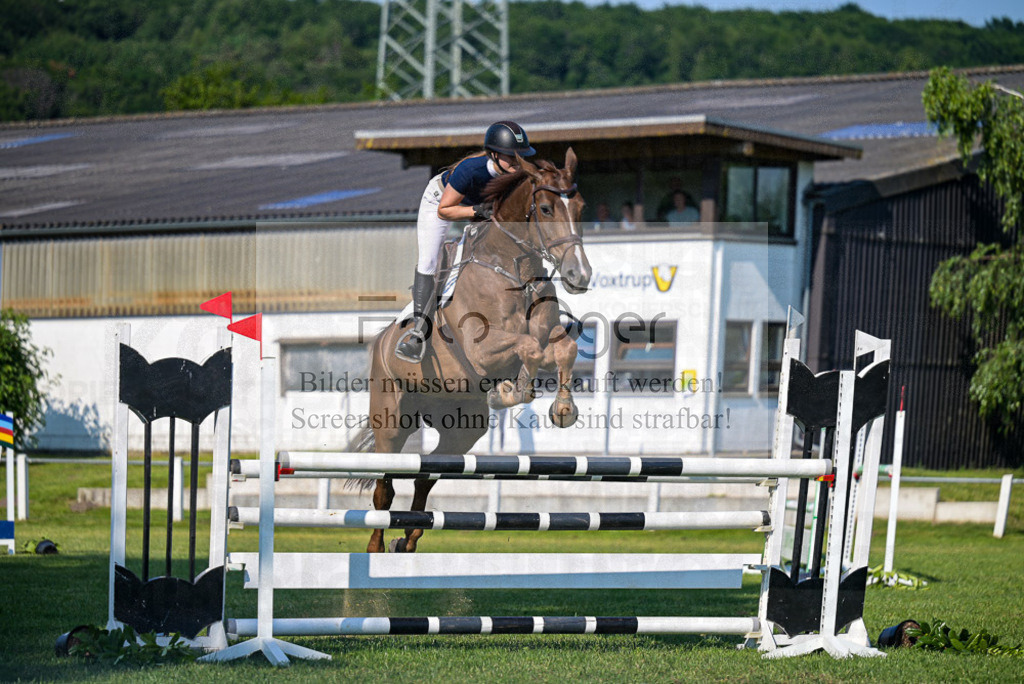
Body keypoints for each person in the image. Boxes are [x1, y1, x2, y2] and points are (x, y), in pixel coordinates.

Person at [395, 121, 536, 363]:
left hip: (479, 210)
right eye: (511, 157)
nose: (517, 163)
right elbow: (445, 210)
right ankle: (419, 331)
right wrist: (475, 211)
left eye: (520, 156)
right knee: (429, 261)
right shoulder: (471, 171)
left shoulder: (517, 173)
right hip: (441, 202)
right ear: (493, 154)